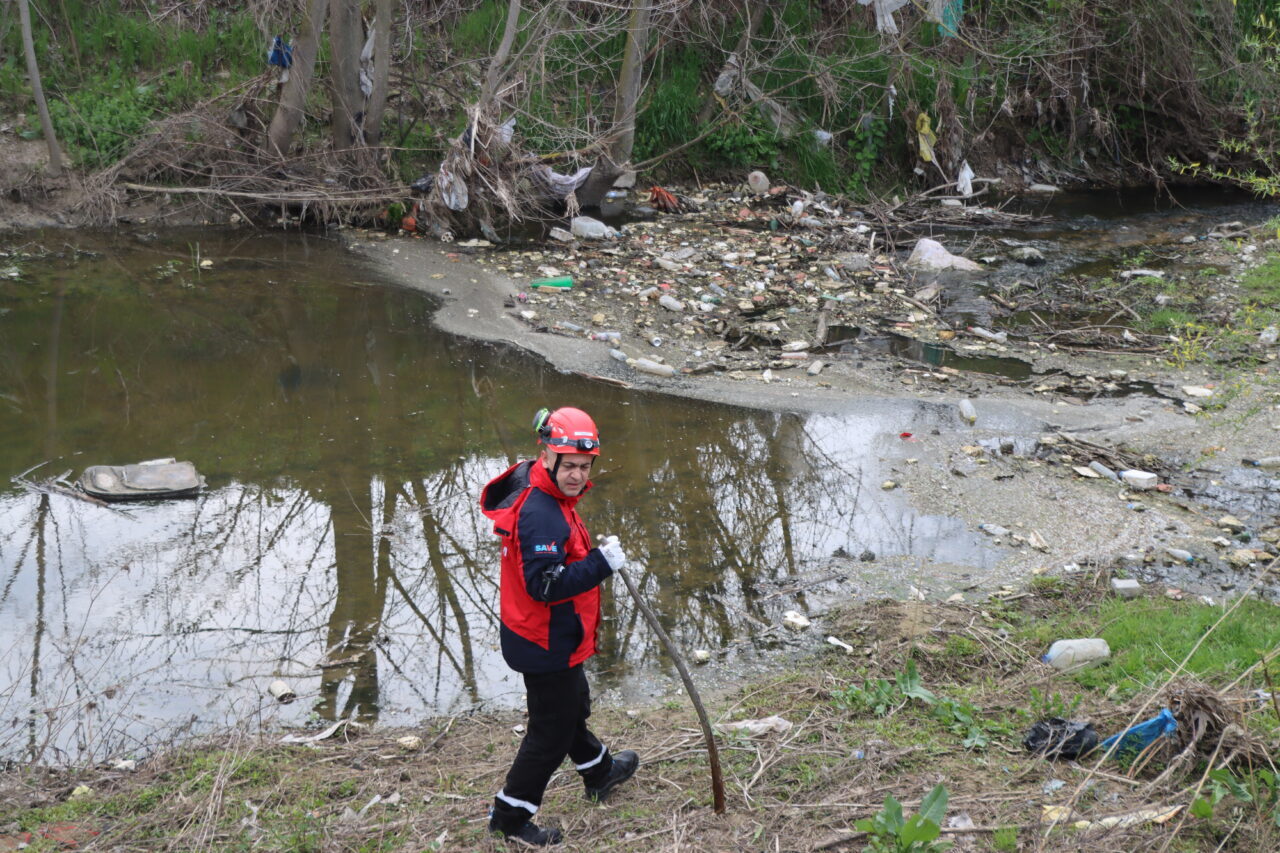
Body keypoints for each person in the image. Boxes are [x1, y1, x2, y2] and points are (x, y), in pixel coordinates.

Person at [479, 406, 639, 846]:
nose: (577, 475)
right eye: (569, 465)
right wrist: (600, 564)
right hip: (543, 639)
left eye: (585, 466)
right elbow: (544, 586)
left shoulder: (547, 493)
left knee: (572, 708)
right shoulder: (543, 513)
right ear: (546, 455)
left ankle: (600, 771)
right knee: (550, 733)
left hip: (551, 635)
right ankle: (509, 819)